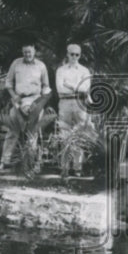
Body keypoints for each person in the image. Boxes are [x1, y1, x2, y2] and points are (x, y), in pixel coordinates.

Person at [0, 43, 52, 172]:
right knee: (12, 131)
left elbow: (46, 86)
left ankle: (31, 163)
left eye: (30, 52)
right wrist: (14, 96)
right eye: (25, 52)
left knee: (33, 133)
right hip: (19, 100)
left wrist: (40, 102)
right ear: (22, 51)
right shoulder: (16, 63)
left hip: (35, 100)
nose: (27, 55)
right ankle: (4, 161)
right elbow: (8, 83)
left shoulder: (41, 66)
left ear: (34, 51)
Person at [54, 43, 92, 176]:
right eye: (72, 54)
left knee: (79, 136)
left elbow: (85, 88)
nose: (74, 57)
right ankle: (64, 167)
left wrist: (69, 85)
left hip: (80, 104)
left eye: (77, 54)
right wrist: (78, 88)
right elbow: (60, 89)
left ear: (80, 55)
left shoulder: (84, 71)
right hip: (64, 103)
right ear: (67, 54)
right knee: (64, 135)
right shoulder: (61, 70)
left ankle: (77, 168)